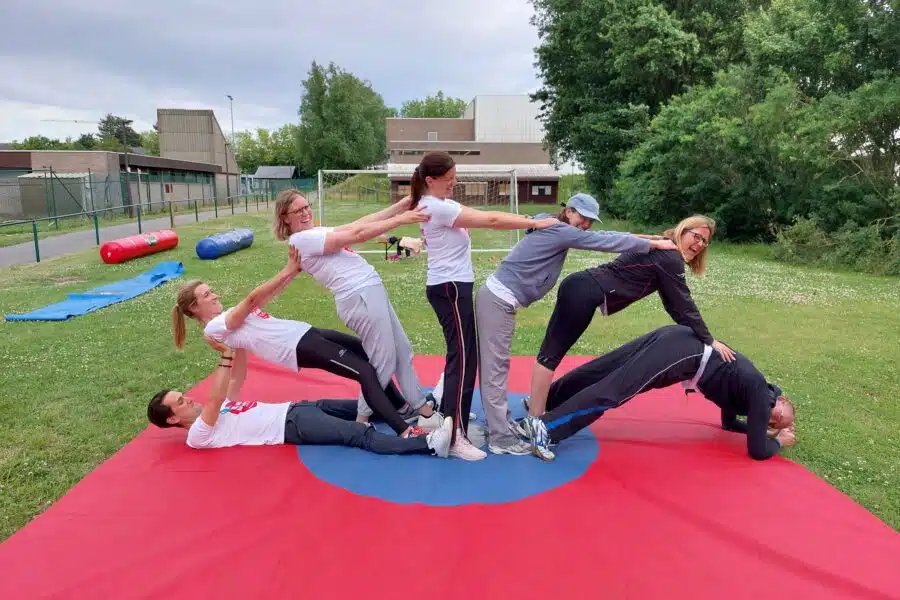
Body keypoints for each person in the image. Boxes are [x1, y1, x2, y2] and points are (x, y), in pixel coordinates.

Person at [475, 192, 678, 455]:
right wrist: (653, 245)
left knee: (494, 365)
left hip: (499, 300)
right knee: (495, 368)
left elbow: (606, 235)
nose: (586, 224)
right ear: (569, 211)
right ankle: (500, 437)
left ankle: (499, 424)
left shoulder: (553, 224)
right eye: (583, 218)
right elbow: (604, 242)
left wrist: (650, 239)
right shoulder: (559, 230)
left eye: (590, 221)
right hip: (498, 300)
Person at [170, 246, 436, 440]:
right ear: (194, 307)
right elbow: (251, 301)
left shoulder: (225, 319)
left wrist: (293, 273)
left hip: (305, 333)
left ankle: (401, 406)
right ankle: (403, 430)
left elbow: (262, 304)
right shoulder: (215, 327)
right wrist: (287, 270)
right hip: (297, 347)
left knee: (365, 352)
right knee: (364, 371)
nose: (214, 295)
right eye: (207, 294)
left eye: (211, 290)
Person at [409, 150, 559, 460]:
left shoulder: (439, 203)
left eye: (455, 177)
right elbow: (491, 220)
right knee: (462, 362)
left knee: (464, 359)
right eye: (449, 179)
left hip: (454, 287)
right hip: (449, 289)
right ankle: (454, 437)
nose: (454, 183)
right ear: (431, 180)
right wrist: (535, 222)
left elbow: (484, 214)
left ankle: (452, 422)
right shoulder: (436, 207)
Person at [526, 214, 736, 420]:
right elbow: (684, 305)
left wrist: (697, 333)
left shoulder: (663, 247)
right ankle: (535, 417)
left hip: (581, 287)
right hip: (584, 291)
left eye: (704, 241)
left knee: (550, 354)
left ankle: (537, 403)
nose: (699, 244)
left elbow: (674, 304)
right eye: (696, 236)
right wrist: (709, 340)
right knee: (550, 356)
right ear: (683, 230)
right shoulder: (670, 257)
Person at [274, 189, 442, 430]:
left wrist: (402, 205)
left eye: (306, 206)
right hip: (359, 297)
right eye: (298, 210)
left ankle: (422, 409)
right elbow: (359, 234)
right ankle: (361, 421)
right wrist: (401, 219)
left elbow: (359, 224)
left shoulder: (313, 232)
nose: (306, 212)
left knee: (402, 349)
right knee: (383, 359)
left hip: (369, 291)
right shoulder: (300, 240)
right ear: (285, 217)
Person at [517, 324, 796, 461]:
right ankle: (546, 428)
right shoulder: (762, 395)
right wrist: (779, 440)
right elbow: (757, 451)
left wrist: (765, 430)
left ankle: (546, 400)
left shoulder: (751, 393)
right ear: (781, 400)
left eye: (775, 423)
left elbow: (729, 423)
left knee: (607, 368)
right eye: (781, 416)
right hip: (686, 353)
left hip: (678, 338)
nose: (773, 419)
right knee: (616, 389)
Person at [148, 339, 454, 457]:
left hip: (300, 408)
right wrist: (226, 355)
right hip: (292, 426)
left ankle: (424, 407)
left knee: (373, 405)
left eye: (183, 395)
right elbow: (214, 400)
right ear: (172, 419)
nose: (189, 399)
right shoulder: (198, 434)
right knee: (359, 434)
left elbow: (236, 379)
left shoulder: (216, 411)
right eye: (180, 402)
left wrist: (236, 343)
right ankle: (428, 444)